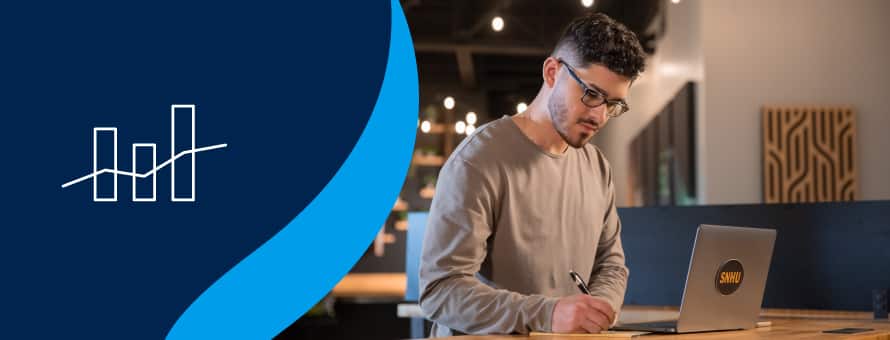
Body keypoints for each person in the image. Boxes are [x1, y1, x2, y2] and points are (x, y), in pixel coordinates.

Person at [418, 13, 647, 337]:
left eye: (612, 104)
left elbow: (611, 265)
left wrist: (594, 312)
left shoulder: (597, 167)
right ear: (552, 72)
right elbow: (440, 290)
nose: (599, 115)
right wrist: (548, 314)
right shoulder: (477, 160)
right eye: (591, 94)